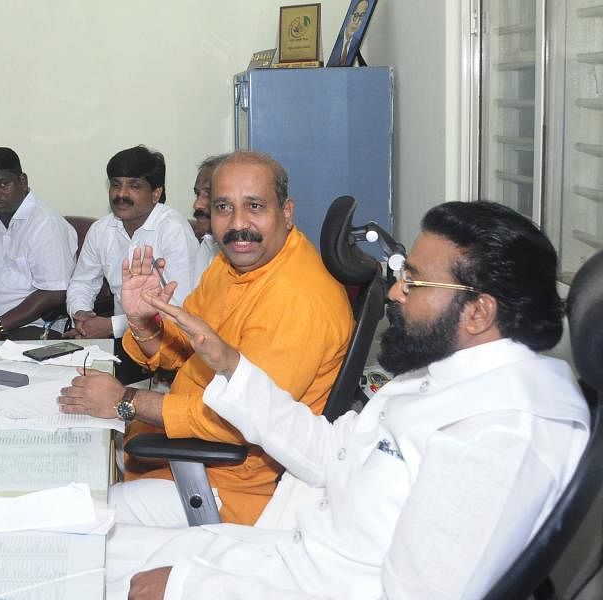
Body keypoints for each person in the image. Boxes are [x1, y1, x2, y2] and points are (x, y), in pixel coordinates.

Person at [106, 201, 588, 600]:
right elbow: (330, 453)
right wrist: (229, 363)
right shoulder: (443, 375)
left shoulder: (499, 435)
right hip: (286, 558)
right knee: (77, 542)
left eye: (415, 282)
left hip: (298, 583)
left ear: (479, 312)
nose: (396, 292)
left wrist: (194, 587)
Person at [57, 151, 352, 526]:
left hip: (231, 480)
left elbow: (240, 421)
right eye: (224, 207)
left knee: (81, 518)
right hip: (179, 446)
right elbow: (185, 351)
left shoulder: (298, 299)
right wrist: (144, 319)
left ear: (287, 212)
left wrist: (126, 401)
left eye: (255, 206)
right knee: (68, 464)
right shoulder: (233, 264)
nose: (238, 224)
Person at [65, 146, 197, 383]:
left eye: (134, 186)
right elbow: (82, 283)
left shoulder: (173, 230)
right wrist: (81, 314)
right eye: (116, 185)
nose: (121, 194)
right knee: (69, 381)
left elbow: (180, 308)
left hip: (169, 343)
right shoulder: (101, 230)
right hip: (121, 343)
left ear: (156, 193)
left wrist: (109, 326)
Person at [0, 147, 78, 341]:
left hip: (31, 327)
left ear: (22, 181)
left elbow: (53, 293)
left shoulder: (46, 224)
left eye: (3, 184)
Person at [190, 155, 224, 285]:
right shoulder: (207, 243)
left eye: (208, 194)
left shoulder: (245, 254)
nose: (197, 204)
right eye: (197, 194)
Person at [332, 0, 371, 67]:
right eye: (356, 15)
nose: (357, 22)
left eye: (361, 16)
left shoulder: (356, 44)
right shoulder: (336, 41)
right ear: (349, 16)